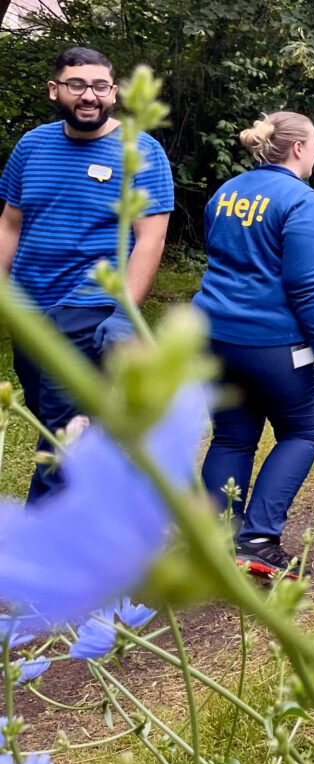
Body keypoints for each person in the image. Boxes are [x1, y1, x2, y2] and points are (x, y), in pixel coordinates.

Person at [0, 46, 174, 502]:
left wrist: (124, 312)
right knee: (49, 412)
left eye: (100, 86)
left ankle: (45, 543)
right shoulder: (31, 146)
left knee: (61, 433)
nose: (89, 96)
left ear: (114, 93)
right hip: (29, 307)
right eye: (77, 85)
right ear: (55, 90)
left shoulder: (140, 151)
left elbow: (150, 239)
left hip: (88, 306)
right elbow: (10, 223)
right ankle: (111, 498)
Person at [194, 112, 314, 578]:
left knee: (233, 435)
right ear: (298, 148)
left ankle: (214, 544)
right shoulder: (302, 200)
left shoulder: (227, 190)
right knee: (305, 429)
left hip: (212, 335)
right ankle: (256, 539)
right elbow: (304, 283)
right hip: (275, 343)